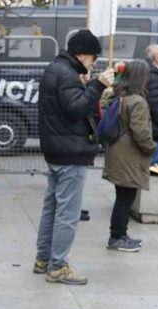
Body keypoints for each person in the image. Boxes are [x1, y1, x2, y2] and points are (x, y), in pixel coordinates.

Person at [34, 29, 114, 286]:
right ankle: (58, 266)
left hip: (57, 149)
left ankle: (43, 259)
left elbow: (68, 103)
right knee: (67, 212)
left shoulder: (57, 69)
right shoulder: (67, 74)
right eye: (93, 57)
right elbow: (76, 109)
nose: (94, 63)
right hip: (71, 151)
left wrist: (86, 84)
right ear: (83, 54)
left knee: (52, 207)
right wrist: (98, 85)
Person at [101, 60, 156, 252]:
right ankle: (117, 237)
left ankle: (120, 235)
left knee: (122, 197)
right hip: (129, 156)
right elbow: (140, 132)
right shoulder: (138, 101)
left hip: (118, 152)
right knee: (125, 198)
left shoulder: (120, 95)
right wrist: (151, 147)